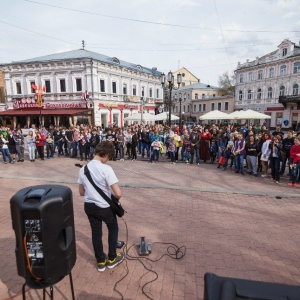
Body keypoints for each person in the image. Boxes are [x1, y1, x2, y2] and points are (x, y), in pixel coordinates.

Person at [77, 141, 124, 272]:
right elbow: (118, 193)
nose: (108, 161)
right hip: (104, 207)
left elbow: (81, 192)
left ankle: (101, 261)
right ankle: (112, 258)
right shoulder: (106, 169)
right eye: (109, 158)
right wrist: (113, 199)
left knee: (96, 232)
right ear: (106, 155)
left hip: (89, 206)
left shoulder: (83, 169)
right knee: (113, 228)